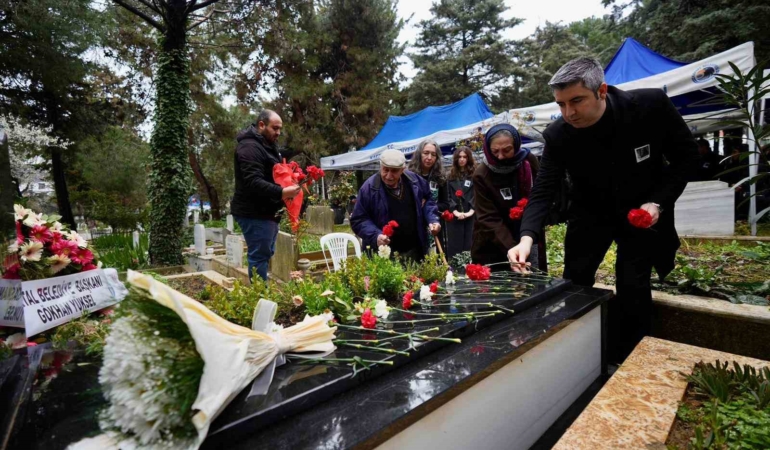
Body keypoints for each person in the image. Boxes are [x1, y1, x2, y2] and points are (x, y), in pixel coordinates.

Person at [507, 57, 699, 363]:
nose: (568, 113)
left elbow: (686, 158)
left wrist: (658, 202)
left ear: (602, 91)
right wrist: (526, 238)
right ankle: (578, 354)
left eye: (576, 101)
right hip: (590, 214)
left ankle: (632, 358)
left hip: (640, 214)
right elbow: (543, 190)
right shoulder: (558, 134)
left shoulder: (649, 106)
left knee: (633, 283)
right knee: (575, 280)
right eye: (561, 104)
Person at [231, 110, 301, 282]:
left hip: (266, 211)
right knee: (259, 256)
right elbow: (253, 181)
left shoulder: (266, 145)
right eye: (275, 128)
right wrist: (282, 192)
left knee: (265, 253)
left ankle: (261, 290)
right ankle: (260, 293)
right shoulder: (249, 147)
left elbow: (272, 171)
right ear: (261, 125)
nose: (278, 132)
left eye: (280, 129)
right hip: (254, 212)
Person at [350, 149, 441, 262]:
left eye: (394, 171)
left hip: (414, 251)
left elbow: (429, 200)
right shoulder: (369, 188)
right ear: (380, 166)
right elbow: (358, 219)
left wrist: (433, 219)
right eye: (385, 170)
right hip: (383, 254)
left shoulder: (415, 181)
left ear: (403, 169)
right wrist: (376, 236)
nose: (389, 176)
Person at [471, 124, 539, 269]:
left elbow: (540, 196)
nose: (500, 156)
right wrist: (513, 250)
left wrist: (527, 240)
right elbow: (488, 218)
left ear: (516, 145)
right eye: (495, 151)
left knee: (534, 279)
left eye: (507, 150)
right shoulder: (481, 175)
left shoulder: (528, 161)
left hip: (528, 234)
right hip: (494, 242)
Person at [407, 139, 449, 251]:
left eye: (433, 154)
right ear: (419, 154)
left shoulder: (440, 177)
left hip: (434, 226)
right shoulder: (409, 176)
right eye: (426, 153)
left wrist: (429, 206)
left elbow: (445, 204)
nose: (429, 157)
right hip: (414, 226)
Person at [445, 146, 476, 259]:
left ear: (468, 158)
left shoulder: (475, 175)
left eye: (465, 157)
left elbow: (477, 194)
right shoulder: (449, 176)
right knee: (455, 247)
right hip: (455, 216)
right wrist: (455, 211)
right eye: (460, 157)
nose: (462, 159)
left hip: (471, 215)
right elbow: (447, 196)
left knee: (470, 245)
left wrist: (471, 211)